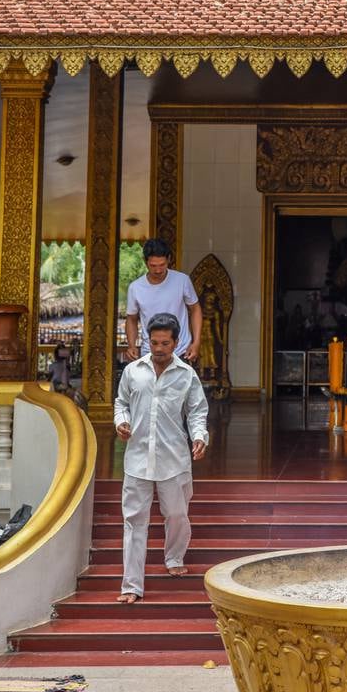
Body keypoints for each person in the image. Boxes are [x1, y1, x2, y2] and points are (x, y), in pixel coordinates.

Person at [114, 313, 208, 604]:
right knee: (134, 521)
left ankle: (174, 556)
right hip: (137, 459)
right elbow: (121, 403)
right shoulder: (133, 371)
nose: (158, 348)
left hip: (174, 458)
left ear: (176, 343)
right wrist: (121, 422)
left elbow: (197, 411)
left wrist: (199, 436)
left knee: (177, 514)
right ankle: (131, 586)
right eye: (153, 342)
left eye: (165, 343)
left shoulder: (186, 375)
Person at [125, 238, 202, 363]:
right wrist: (132, 345)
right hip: (149, 353)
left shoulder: (182, 281)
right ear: (145, 262)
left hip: (181, 352)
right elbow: (131, 319)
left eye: (162, 265)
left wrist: (196, 342)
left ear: (169, 260)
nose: (158, 270)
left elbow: (195, 309)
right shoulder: (136, 287)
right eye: (153, 266)